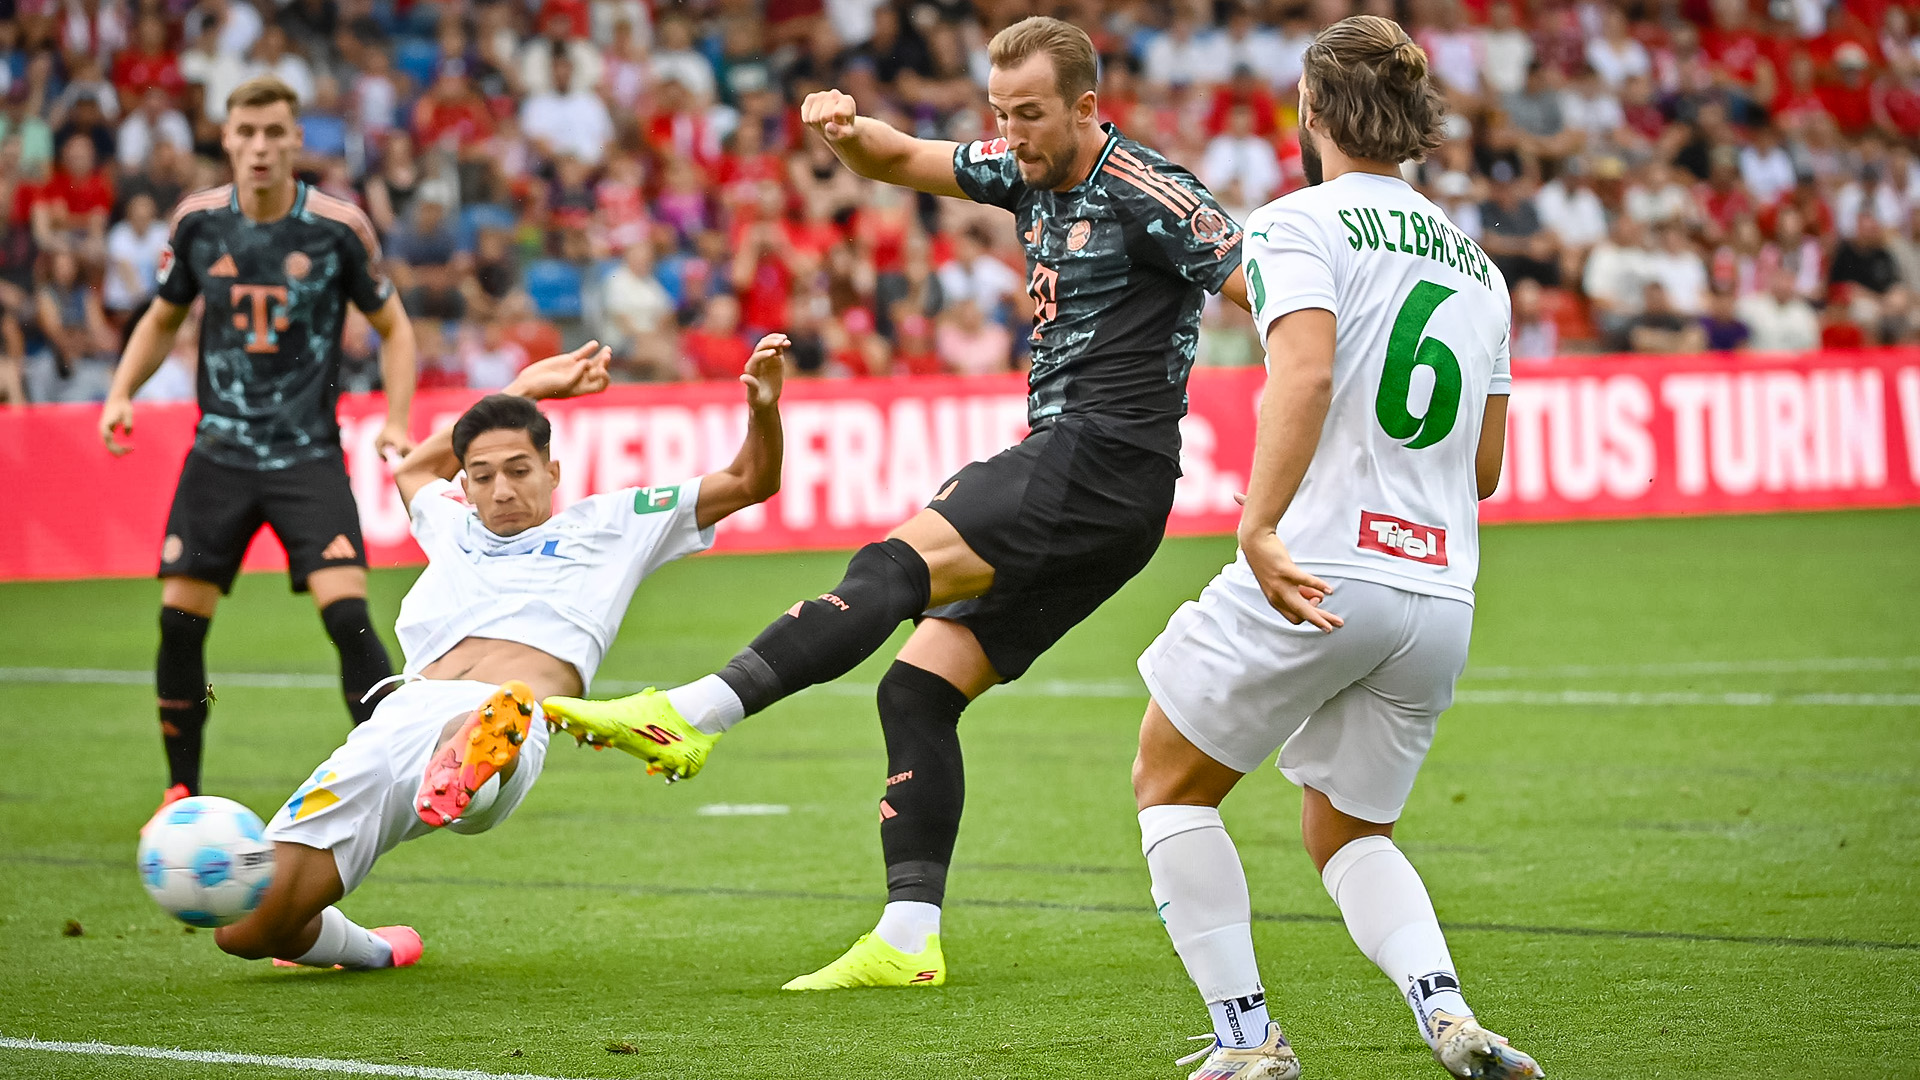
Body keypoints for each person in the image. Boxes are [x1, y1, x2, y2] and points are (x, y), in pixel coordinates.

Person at [541, 15, 1250, 991]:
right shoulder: (1021, 165)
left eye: (1032, 114)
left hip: (1100, 461)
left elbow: (1273, 292)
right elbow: (903, 156)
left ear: (1088, 107)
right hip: (1105, 499)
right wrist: (844, 129)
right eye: (1000, 112)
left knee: (889, 565)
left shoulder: (1147, 191)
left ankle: (695, 712)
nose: (1012, 132)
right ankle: (910, 938)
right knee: (916, 688)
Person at [1129, 17, 1543, 1080]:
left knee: (1170, 781)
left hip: (1322, 564)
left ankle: (1248, 1040)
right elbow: (1485, 466)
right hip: (1439, 590)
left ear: (1310, 114)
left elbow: (1303, 375)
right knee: (1349, 834)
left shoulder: (1295, 224)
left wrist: (1257, 526)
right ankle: (1447, 1012)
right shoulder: (1481, 271)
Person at [206, 334, 789, 970]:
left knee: (488, 723)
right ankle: (372, 950)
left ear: (552, 472)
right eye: (481, 476)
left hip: (510, 713)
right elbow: (411, 470)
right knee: (249, 929)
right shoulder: (454, 522)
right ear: (467, 482)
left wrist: (762, 408)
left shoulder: (610, 523)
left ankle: (472, 762)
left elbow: (748, 479)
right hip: (396, 721)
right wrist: (523, 390)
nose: (501, 490)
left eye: (518, 470)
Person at [97, 76, 419, 810]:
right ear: (227, 139)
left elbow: (398, 328)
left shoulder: (339, 226)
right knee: (180, 624)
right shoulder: (199, 223)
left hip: (308, 453)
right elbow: (161, 316)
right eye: (247, 133)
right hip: (219, 454)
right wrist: (121, 392)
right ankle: (183, 790)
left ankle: (400, 778)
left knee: (348, 617)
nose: (261, 147)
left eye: (275, 132)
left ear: (296, 139)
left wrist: (396, 420)